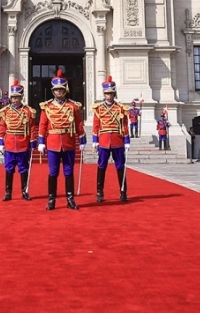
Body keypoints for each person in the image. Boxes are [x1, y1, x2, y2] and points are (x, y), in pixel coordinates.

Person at [37, 69, 85, 210]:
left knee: (69, 172)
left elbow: (78, 124)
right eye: (57, 90)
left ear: (66, 90)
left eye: (61, 89)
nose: (59, 92)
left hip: (68, 142)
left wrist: (82, 140)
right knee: (53, 172)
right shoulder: (47, 107)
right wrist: (41, 142)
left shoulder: (73, 106)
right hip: (52, 143)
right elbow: (42, 125)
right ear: (53, 91)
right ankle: (52, 199)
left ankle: (70, 199)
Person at [0, 78, 37, 201]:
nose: (15, 100)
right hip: (9, 144)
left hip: (23, 143)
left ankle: (24, 191)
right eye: (13, 97)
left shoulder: (28, 111)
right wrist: (0, 142)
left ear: (22, 97)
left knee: (23, 168)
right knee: (9, 169)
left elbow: (32, 128)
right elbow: (2, 127)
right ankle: (8, 192)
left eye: (17, 97)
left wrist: (33, 142)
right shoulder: (6, 112)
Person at [92, 75, 130, 203]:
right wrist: (95, 140)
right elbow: (96, 125)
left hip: (117, 140)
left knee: (120, 167)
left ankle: (123, 191)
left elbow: (124, 125)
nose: (109, 96)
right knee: (101, 166)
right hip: (103, 140)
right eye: (107, 94)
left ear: (114, 94)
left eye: (111, 93)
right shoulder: (99, 108)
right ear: (104, 94)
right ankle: (99, 191)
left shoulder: (120, 108)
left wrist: (126, 140)